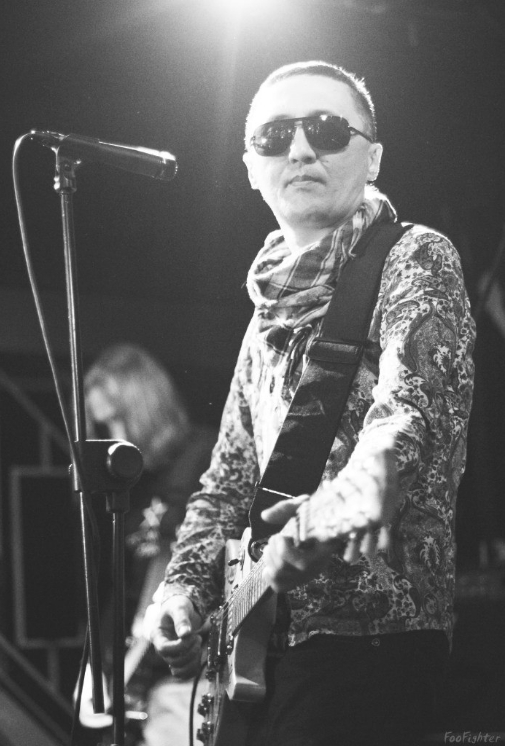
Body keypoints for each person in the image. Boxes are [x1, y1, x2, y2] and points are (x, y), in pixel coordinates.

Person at [143, 61, 476, 746]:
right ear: (250, 168)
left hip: (373, 650)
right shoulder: (264, 316)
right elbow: (227, 482)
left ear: (372, 157)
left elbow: (410, 412)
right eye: (274, 136)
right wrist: (180, 593)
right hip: (263, 657)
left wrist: (356, 491)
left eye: (325, 129)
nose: (298, 149)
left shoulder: (413, 257)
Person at [78, 343, 215, 745]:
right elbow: (121, 585)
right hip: (139, 664)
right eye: (104, 426)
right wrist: (99, 664)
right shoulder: (129, 485)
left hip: (190, 660)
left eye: (118, 420)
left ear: (146, 405)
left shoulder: (201, 454)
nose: (113, 437)